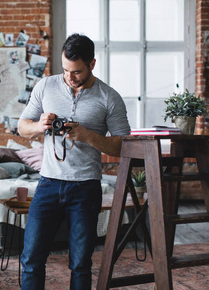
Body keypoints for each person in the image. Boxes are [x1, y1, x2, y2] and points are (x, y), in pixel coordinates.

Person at [17, 33, 130, 290]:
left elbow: (124, 145)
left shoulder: (109, 97)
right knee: (31, 257)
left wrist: (88, 136)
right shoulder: (45, 86)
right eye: (66, 69)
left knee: (80, 263)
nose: (70, 77)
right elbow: (22, 127)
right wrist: (39, 125)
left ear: (92, 63)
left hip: (86, 187)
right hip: (48, 184)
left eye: (77, 71)